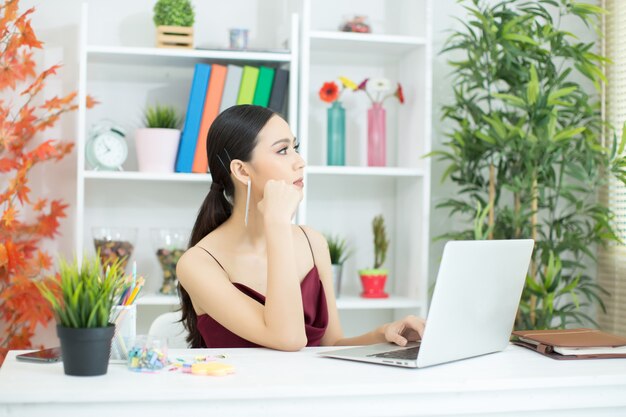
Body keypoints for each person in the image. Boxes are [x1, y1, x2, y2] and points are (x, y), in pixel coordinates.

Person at [176, 104, 425, 351]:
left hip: (308, 389)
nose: (300, 162)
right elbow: (289, 339)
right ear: (242, 171)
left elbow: (331, 344)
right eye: (283, 150)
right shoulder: (197, 264)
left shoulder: (312, 242)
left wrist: (384, 334)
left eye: (295, 148)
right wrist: (277, 224)